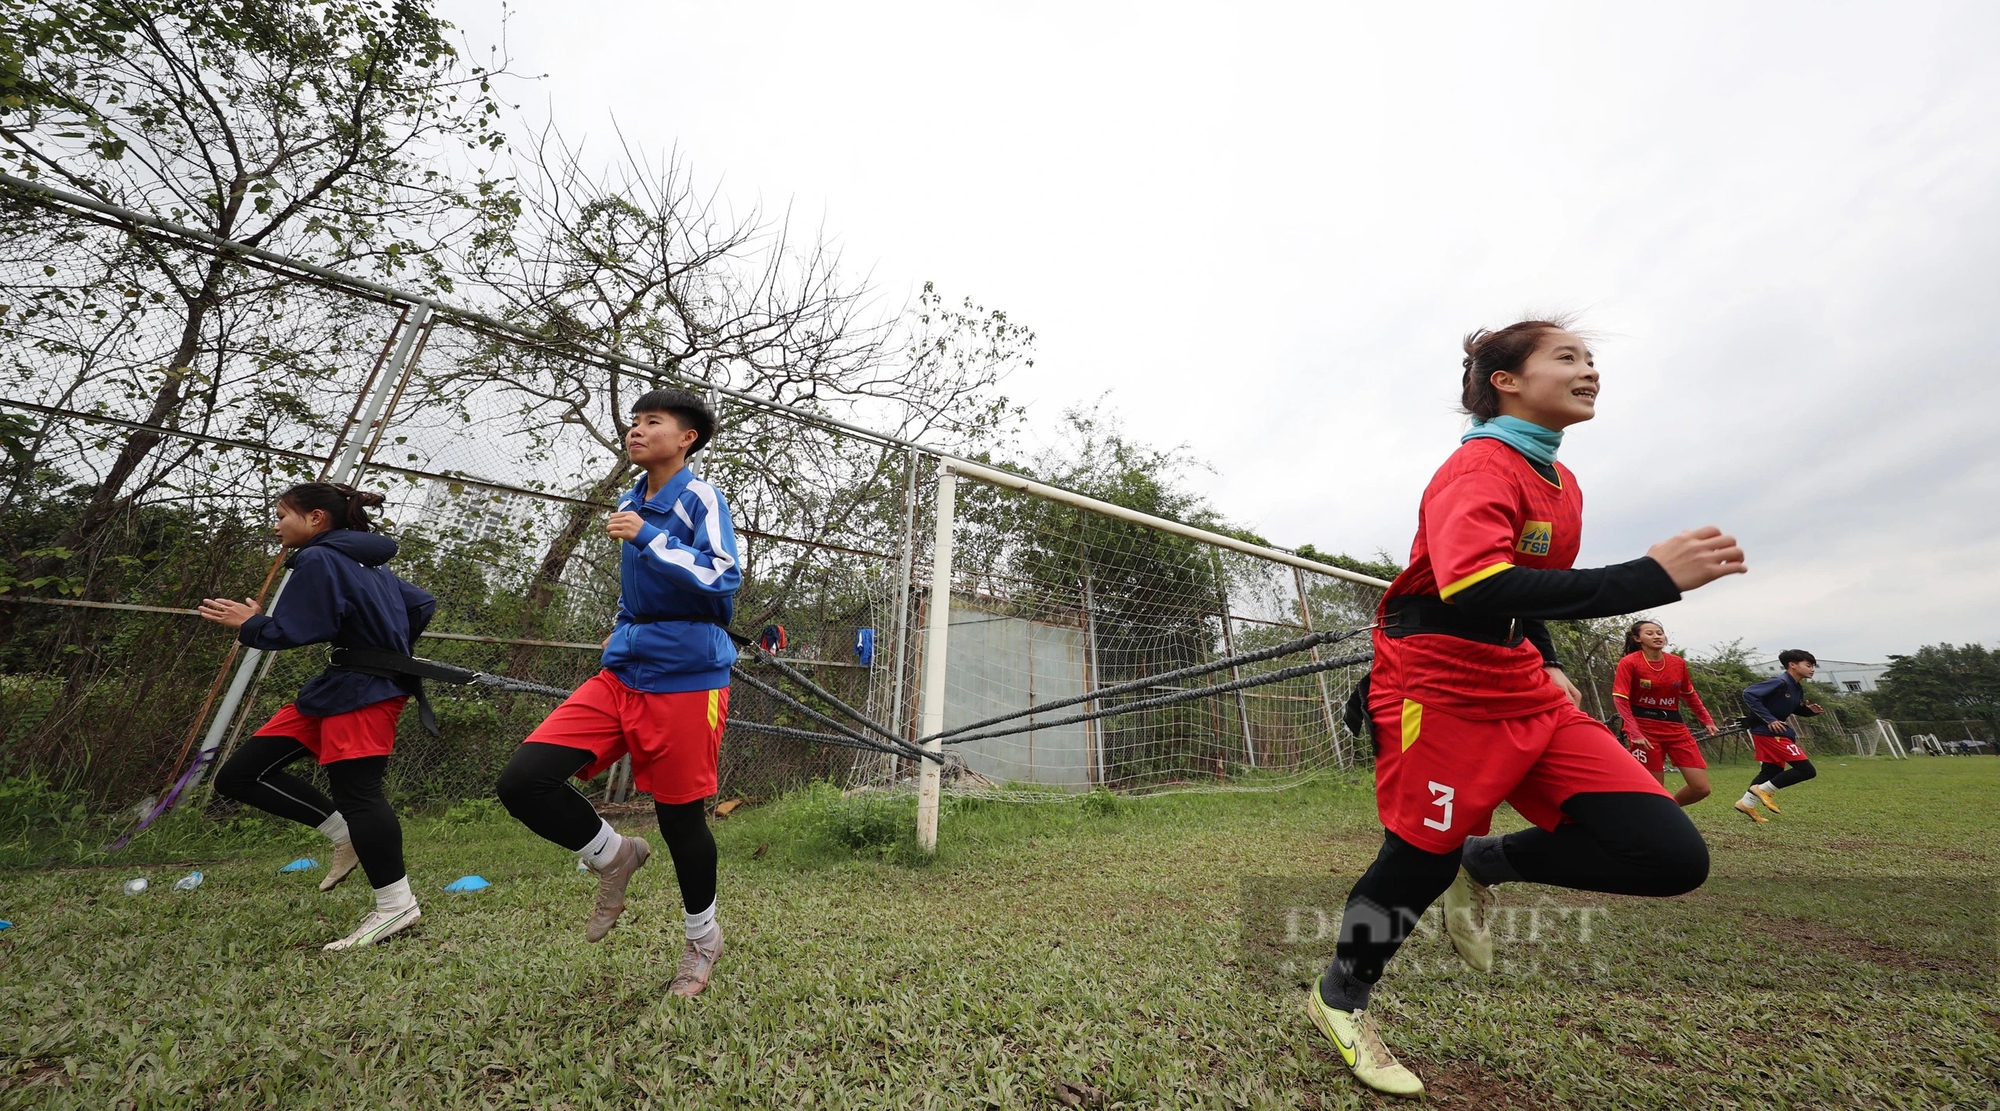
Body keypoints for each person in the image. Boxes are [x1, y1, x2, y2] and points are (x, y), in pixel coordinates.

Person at [1305, 320, 1745, 1099]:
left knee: (1673, 857)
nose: (1591, 371)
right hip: (1434, 683)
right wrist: (1649, 576)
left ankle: (1487, 860)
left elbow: (1526, 579)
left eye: (1593, 359)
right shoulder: (1476, 466)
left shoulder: (1560, 481)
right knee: (1418, 857)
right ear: (1505, 379)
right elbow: (1473, 582)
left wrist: (1541, 655)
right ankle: (1340, 997)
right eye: (1568, 358)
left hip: (1519, 682)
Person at [495, 387, 739, 997]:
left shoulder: (698, 496)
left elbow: (724, 575)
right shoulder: (633, 498)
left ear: (686, 438)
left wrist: (650, 540)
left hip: (688, 677)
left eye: (652, 421)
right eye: (633, 421)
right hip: (622, 669)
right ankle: (613, 855)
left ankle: (702, 939)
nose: (636, 430)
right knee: (523, 780)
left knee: (679, 818)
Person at [199, 482, 435, 951]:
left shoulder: (319, 558)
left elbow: (298, 629)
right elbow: (420, 602)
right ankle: (343, 834)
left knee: (360, 794)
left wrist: (248, 623)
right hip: (339, 686)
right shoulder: (366, 564)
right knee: (240, 775)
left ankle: (396, 906)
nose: (276, 523)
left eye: (283, 514)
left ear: (315, 520)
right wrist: (385, 642)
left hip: (365, 691)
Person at [1611, 620, 1718, 806]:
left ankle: (1670, 811)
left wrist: (1707, 720)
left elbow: (1689, 694)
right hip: (1644, 730)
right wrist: (1634, 732)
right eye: (1650, 633)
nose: (1657, 636)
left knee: (1701, 787)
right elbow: (1620, 698)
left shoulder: (1677, 663)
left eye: (1659, 632)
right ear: (1637, 638)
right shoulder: (1629, 663)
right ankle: (1652, 823)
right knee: (1654, 789)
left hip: (1675, 727)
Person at [1733, 650, 1823, 821]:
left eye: (1813, 666)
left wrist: (1808, 711)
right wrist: (1769, 719)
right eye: (1809, 665)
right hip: (1768, 733)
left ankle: (1746, 803)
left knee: (1772, 770)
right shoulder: (1780, 682)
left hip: (1773, 732)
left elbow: (1792, 707)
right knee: (1806, 770)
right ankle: (1763, 790)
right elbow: (1749, 694)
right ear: (1793, 665)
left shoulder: (1796, 687)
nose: (1812, 669)